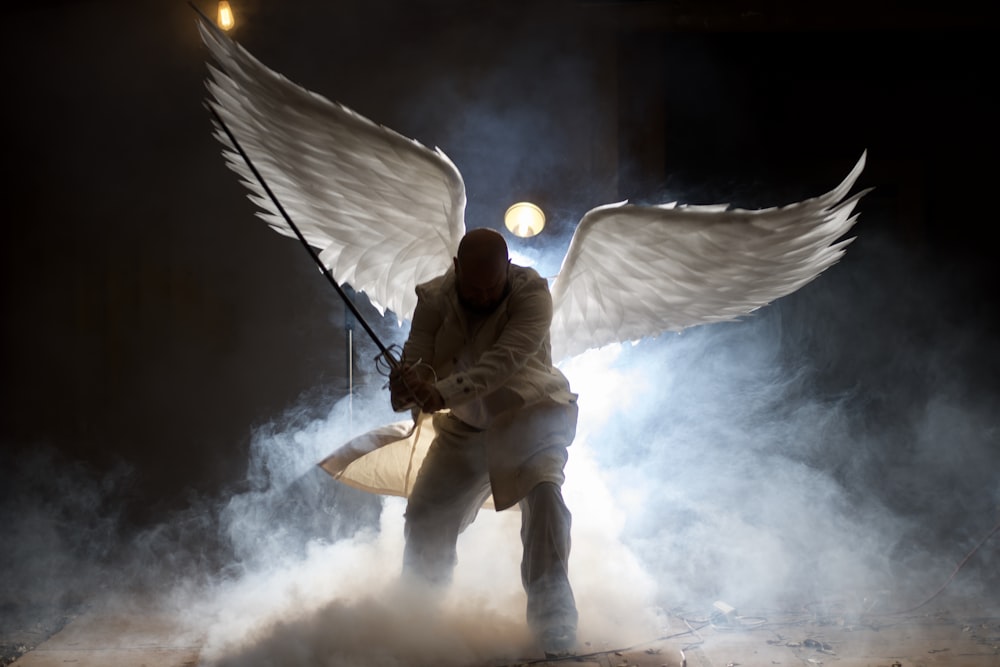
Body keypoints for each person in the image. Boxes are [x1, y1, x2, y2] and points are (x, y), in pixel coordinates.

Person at [388, 227, 580, 656]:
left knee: (546, 501)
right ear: (455, 270)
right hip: (464, 427)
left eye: (491, 287)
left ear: (507, 269)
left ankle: (555, 625)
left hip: (529, 418)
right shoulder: (434, 299)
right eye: (471, 288)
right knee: (423, 517)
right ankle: (415, 620)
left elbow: (503, 362)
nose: (481, 296)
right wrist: (406, 387)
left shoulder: (533, 295)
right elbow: (417, 357)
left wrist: (440, 393)